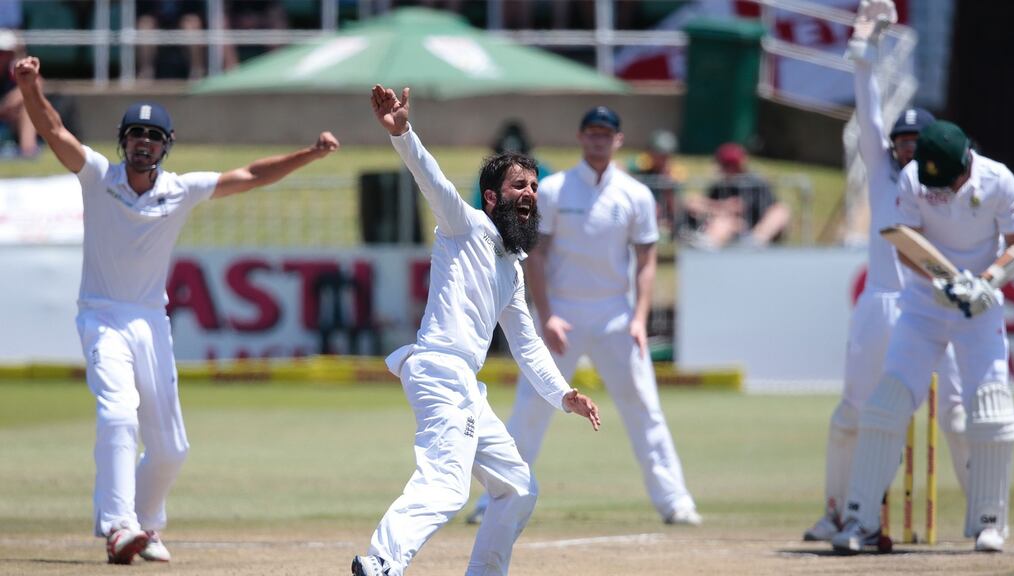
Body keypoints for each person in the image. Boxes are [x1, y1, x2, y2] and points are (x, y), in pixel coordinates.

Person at [14, 55, 339, 565]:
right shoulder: (98, 176)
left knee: (171, 449)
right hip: (102, 315)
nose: (144, 142)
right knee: (118, 415)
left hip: (150, 321)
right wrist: (30, 87)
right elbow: (53, 131)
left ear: (166, 145)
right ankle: (119, 527)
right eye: (135, 133)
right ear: (122, 142)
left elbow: (251, 174)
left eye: (154, 135)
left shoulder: (179, 190)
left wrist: (311, 154)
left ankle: (146, 524)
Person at [352, 85, 601, 576]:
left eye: (533, 186)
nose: (529, 194)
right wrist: (403, 131)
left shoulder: (513, 265)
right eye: (518, 186)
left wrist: (563, 394)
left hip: (466, 386)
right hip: (441, 372)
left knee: (517, 487)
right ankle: (380, 562)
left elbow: (527, 344)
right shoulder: (463, 225)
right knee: (446, 486)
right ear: (492, 197)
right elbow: (431, 177)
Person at [466, 105, 701, 527]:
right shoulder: (554, 190)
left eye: (605, 133)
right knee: (532, 408)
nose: (598, 139)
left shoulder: (635, 194)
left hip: (616, 313)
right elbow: (536, 258)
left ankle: (675, 501)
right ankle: (495, 499)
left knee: (644, 407)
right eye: (591, 132)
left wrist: (639, 318)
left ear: (618, 140)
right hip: (563, 314)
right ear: (580, 137)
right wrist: (548, 314)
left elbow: (647, 259)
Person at [802, 0, 969, 542]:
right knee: (853, 415)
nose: (909, 151)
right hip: (881, 304)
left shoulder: (952, 188)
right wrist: (866, 45)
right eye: (903, 142)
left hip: (936, 307)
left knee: (962, 416)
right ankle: (839, 512)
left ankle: (982, 518)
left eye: (920, 144)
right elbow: (869, 107)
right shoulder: (882, 173)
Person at [831, 119, 1014, 554]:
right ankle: (860, 520)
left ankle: (989, 522)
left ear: (966, 163)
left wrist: (987, 281)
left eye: (947, 181)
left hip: (979, 308)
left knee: (991, 409)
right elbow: (906, 241)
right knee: (886, 404)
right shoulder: (917, 176)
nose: (939, 190)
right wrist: (942, 281)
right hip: (923, 305)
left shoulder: (999, 180)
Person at [682, 142, 789, 249]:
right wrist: (722, 206)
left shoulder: (756, 183)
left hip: (755, 230)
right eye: (726, 164)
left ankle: (755, 242)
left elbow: (760, 208)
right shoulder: (719, 186)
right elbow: (696, 204)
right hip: (731, 228)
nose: (730, 168)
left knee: (781, 210)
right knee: (723, 222)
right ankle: (706, 245)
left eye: (733, 164)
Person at [628, 128, 686, 240]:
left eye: (667, 155)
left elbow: (676, 210)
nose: (663, 159)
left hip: (662, 220)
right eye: (659, 154)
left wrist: (668, 188)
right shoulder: (639, 167)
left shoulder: (674, 174)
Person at [0, 29, 36, 156]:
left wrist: (14, 99)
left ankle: (28, 151)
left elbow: (38, 83)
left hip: (9, 118)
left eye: (6, 53)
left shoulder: (14, 70)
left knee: (27, 107)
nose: (3, 57)